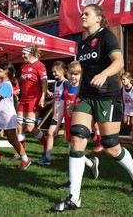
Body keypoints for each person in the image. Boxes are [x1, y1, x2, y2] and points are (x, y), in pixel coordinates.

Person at [51, 4, 133, 212]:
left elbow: (119, 62)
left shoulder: (107, 36)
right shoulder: (82, 44)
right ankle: (74, 198)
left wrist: (104, 74)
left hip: (107, 97)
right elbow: (84, 73)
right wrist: (77, 94)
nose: (82, 16)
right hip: (85, 97)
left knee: (110, 145)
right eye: (81, 13)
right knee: (77, 137)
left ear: (98, 18)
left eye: (87, 14)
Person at [54, 61, 100, 189]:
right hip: (68, 125)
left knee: (73, 152)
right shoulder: (67, 89)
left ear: (81, 75)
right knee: (72, 152)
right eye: (71, 74)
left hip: (78, 125)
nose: (73, 77)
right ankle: (90, 164)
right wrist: (58, 126)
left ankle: (72, 181)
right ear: (67, 74)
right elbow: (63, 109)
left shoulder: (83, 90)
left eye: (76, 74)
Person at [12, 45, 48, 161]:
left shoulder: (40, 65)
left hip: (34, 99)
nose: (22, 56)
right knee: (19, 126)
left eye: (24, 54)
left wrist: (43, 96)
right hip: (24, 99)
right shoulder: (23, 66)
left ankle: (46, 144)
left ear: (31, 53)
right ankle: (20, 152)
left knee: (30, 127)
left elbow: (44, 82)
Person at [36, 61, 70, 166]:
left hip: (66, 113)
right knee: (50, 133)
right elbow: (57, 99)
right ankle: (47, 157)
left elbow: (67, 99)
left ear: (62, 71)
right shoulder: (55, 83)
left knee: (70, 137)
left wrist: (62, 112)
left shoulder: (66, 83)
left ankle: (75, 157)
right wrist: (47, 103)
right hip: (57, 114)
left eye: (55, 72)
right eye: (52, 72)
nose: (54, 74)